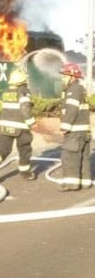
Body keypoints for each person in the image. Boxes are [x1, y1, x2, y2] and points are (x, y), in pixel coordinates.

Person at [0, 67, 36, 183]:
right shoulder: (23, 91)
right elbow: (25, 107)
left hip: (3, 126)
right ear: (23, 81)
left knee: (3, 148)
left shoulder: (6, 92)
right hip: (20, 127)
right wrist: (31, 122)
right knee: (24, 149)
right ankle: (25, 173)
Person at [58, 62, 92, 191]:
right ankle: (85, 182)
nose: (62, 79)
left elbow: (71, 110)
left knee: (70, 156)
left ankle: (71, 183)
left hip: (75, 131)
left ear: (72, 77)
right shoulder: (78, 89)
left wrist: (65, 127)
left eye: (65, 76)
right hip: (83, 131)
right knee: (83, 158)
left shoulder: (74, 90)